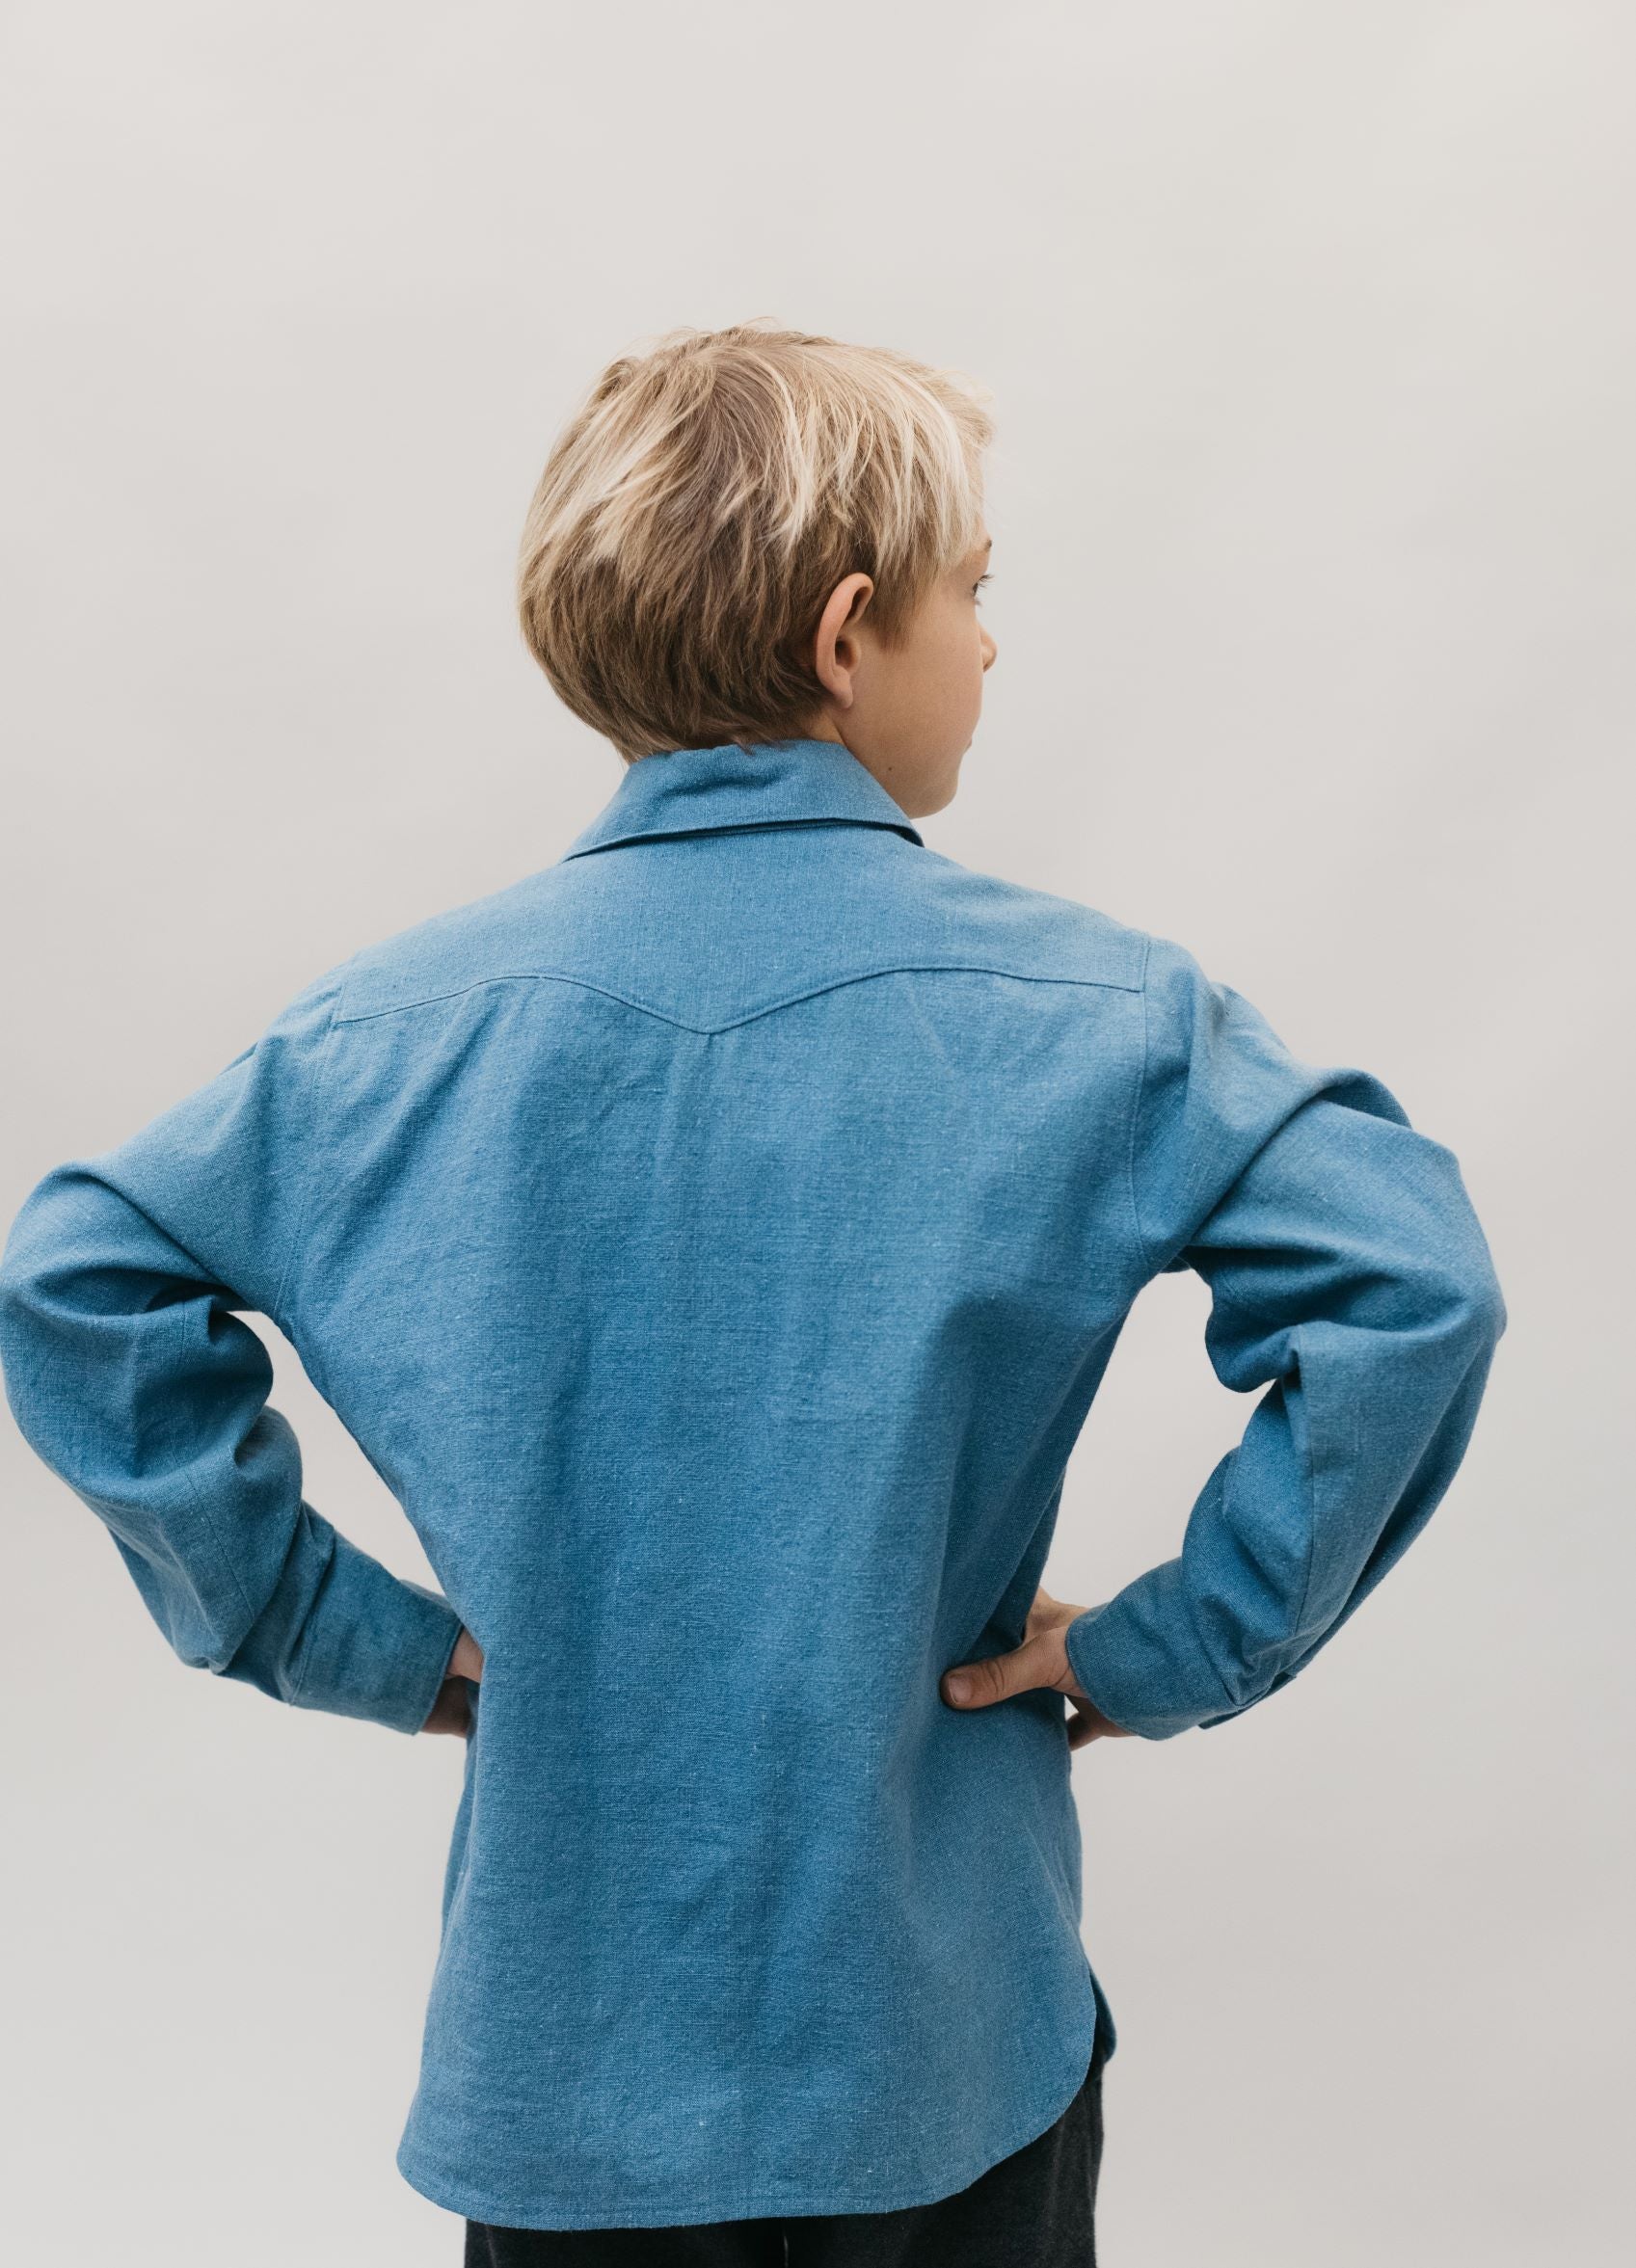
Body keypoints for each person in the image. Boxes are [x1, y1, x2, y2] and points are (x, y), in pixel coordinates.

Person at [0, 320, 1507, 2264]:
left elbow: (78, 1280)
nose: (991, 643)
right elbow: (1414, 1284)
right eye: (976, 590)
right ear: (847, 633)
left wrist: (350, 1637)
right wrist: (1162, 1646)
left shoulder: (383, 1039)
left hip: (569, 2082)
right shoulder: (1097, 1018)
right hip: (944, 2038)